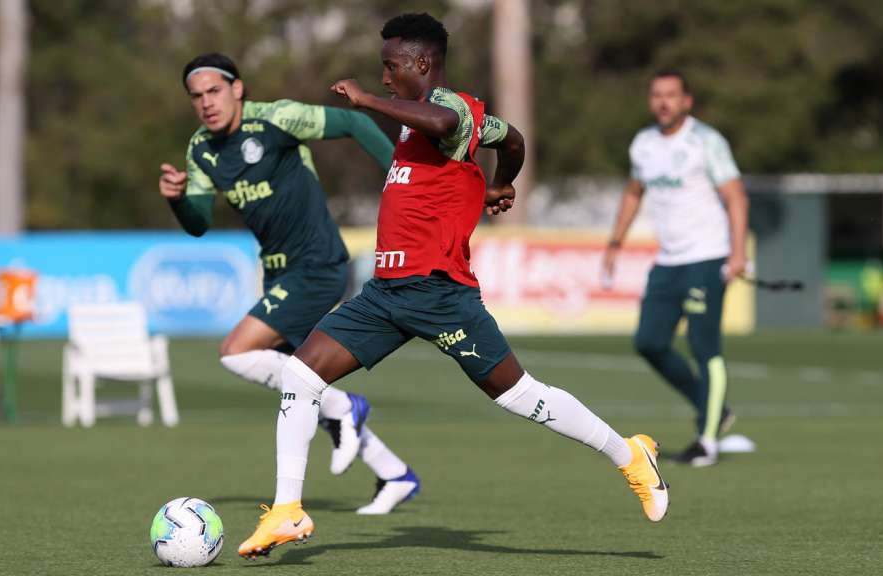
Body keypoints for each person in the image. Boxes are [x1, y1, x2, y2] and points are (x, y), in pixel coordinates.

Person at [238, 13, 668, 560]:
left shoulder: (450, 108)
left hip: (439, 293)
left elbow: (458, 127)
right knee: (300, 372)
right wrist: (489, 186)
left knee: (518, 394)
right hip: (386, 293)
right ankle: (287, 510)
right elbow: (502, 144)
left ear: (421, 64)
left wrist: (368, 100)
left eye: (392, 68)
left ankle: (628, 454)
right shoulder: (417, 121)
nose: (387, 77)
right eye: (382, 71)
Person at [159, 52, 420, 514]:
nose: (206, 103)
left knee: (234, 351)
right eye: (196, 97)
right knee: (300, 386)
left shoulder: (277, 118)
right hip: (280, 271)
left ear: (237, 89)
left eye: (214, 91)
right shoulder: (201, 149)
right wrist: (179, 200)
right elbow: (198, 222)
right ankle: (393, 473)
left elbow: (354, 124)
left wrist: (403, 181)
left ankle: (345, 408)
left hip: (317, 263)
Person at [601, 69, 750, 467]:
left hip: (707, 257)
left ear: (687, 101)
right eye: (657, 95)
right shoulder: (644, 144)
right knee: (648, 342)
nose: (663, 102)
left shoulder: (706, 141)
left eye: (671, 95)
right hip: (668, 261)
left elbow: (736, 197)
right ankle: (715, 409)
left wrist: (736, 253)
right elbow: (634, 193)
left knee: (704, 348)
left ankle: (707, 440)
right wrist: (615, 242)